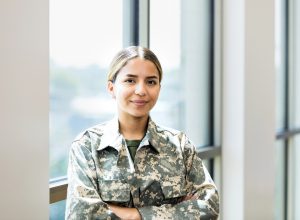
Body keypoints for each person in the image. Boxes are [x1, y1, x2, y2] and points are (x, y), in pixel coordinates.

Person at [65, 46, 219, 220]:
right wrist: (177, 211)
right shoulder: (87, 146)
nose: (141, 90)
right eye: (130, 81)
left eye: (151, 82)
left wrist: (133, 215)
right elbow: (81, 215)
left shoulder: (179, 145)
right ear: (111, 88)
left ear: (159, 88)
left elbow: (209, 207)